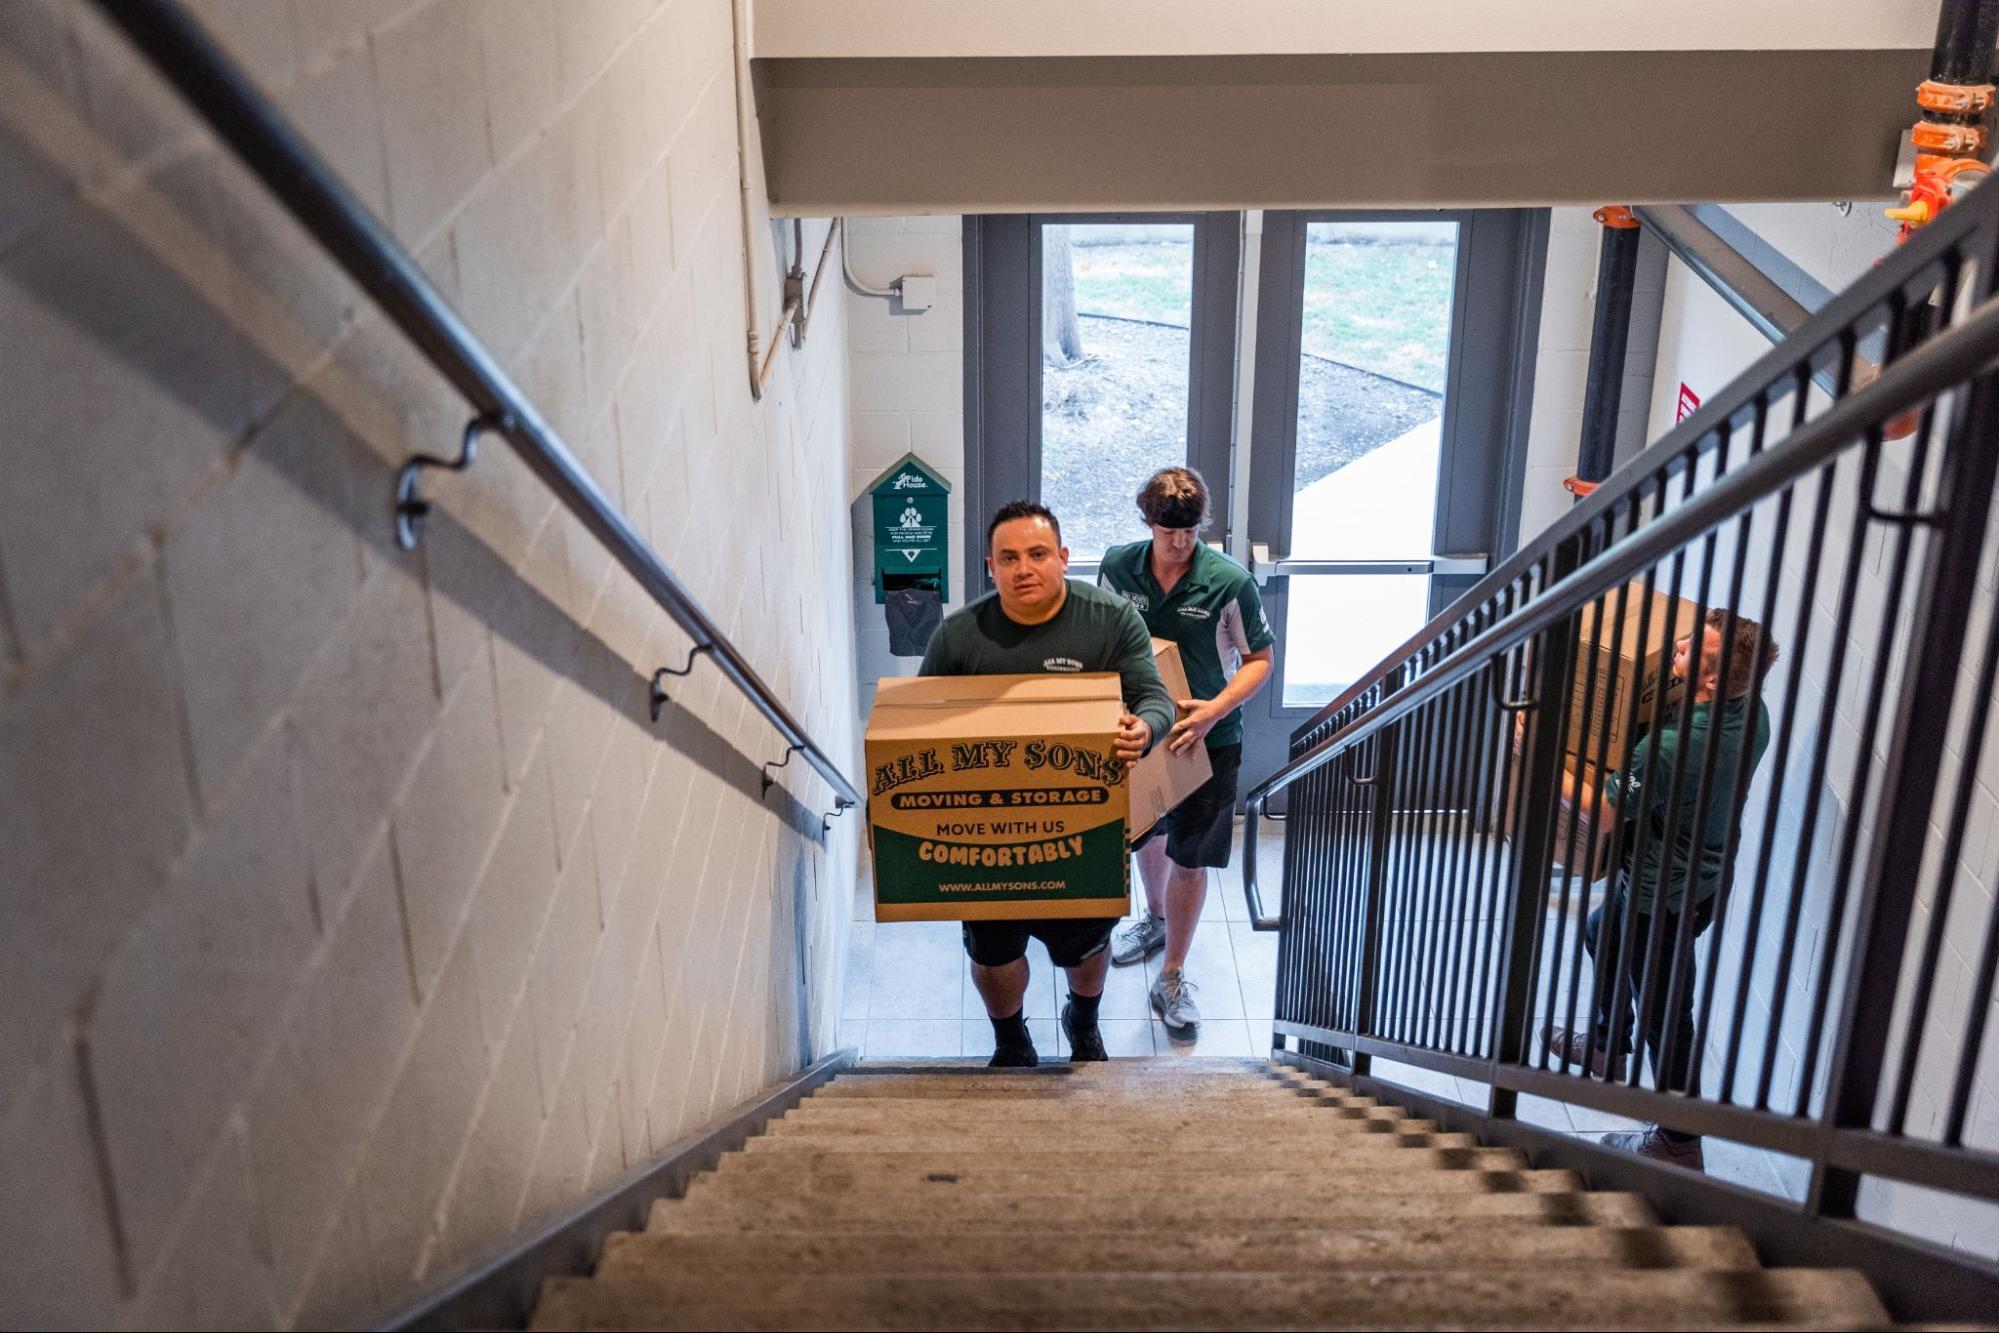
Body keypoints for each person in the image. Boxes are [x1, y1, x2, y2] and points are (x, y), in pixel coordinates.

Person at [920, 500, 1175, 1066]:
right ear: (991, 567)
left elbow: (1155, 696)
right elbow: (920, 723)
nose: (1023, 568)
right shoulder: (960, 636)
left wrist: (1146, 726)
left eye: (1037, 554)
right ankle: (1011, 1039)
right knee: (993, 956)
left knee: (1085, 947)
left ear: (1062, 557)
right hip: (985, 838)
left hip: (1086, 827)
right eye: (1008, 558)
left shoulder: (1109, 620)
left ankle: (1082, 1022)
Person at [1542, 608, 1779, 1170]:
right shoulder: (1755, 714)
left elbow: (1603, 816)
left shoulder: (1671, 749)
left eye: (1694, 647)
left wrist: (1544, 760)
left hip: (1660, 897)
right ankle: (1605, 1048)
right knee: (1601, 932)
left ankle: (1678, 1139)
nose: (1677, 643)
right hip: (1703, 882)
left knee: (1666, 1015)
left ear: (1714, 680)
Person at [1098, 468, 1275, 1036]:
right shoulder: (1118, 567)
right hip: (1140, 733)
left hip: (1209, 739)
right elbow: (1102, 641)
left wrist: (1214, 710)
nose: (1179, 542)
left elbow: (1260, 661)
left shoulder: (1229, 582)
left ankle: (1173, 972)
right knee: (1147, 831)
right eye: (1168, 529)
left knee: (1192, 855)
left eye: (1191, 530)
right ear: (1147, 521)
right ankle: (1153, 918)